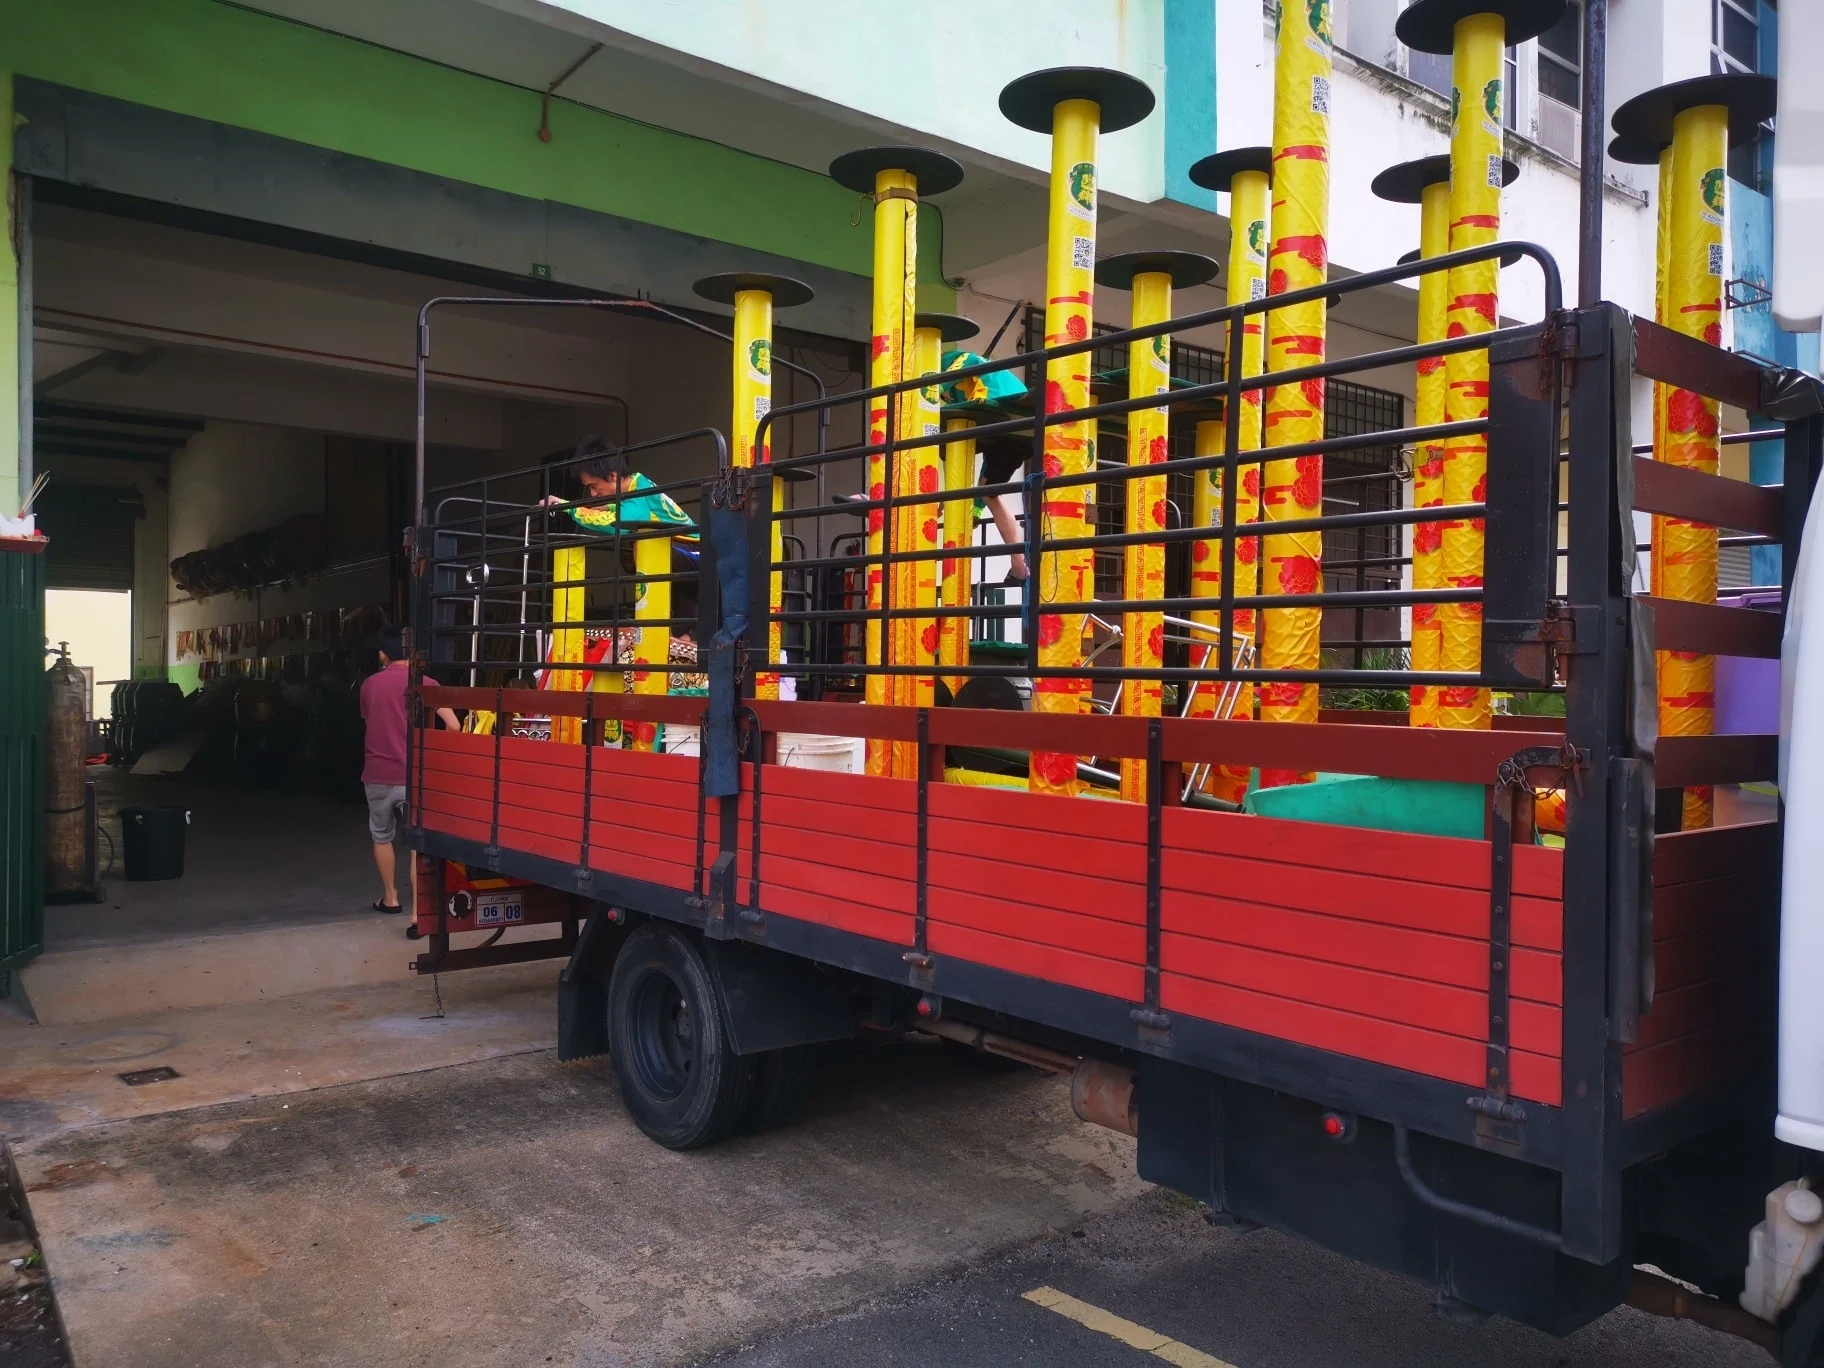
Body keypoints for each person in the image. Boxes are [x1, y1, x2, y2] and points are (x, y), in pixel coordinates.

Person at [359, 625, 457, 914]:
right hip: (415, 775)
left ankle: (390, 898)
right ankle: (417, 913)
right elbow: (454, 726)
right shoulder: (426, 684)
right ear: (413, 655)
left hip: (378, 773)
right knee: (416, 842)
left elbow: (370, 723)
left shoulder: (369, 686)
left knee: (381, 835)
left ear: (382, 655)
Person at [538, 436, 697, 535]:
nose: (593, 494)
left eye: (593, 486)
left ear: (612, 476)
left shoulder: (638, 496)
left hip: (695, 552)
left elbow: (611, 523)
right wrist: (612, 507)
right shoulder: (639, 484)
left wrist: (567, 507)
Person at [974, 433, 1033, 585]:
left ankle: (1018, 561)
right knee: (987, 491)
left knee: (988, 494)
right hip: (1011, 439)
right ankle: (1018, 561)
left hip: (1006, 439)